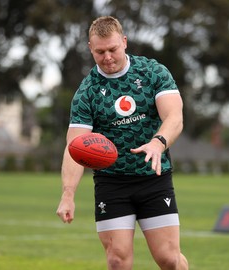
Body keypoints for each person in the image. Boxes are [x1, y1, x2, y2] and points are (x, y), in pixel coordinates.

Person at [56, 15, 189, 270]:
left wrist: (158, 143)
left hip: (153, 176)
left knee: (169, 260)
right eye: (100, 51)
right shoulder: (87, 92)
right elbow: (75, 147)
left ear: (124, 42)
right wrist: (68, 194)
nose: (107, 57)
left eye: (113, 49)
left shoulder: (152, 72)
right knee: (117, 260)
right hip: (112, 183)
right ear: (90, 49)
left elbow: (175, 116)